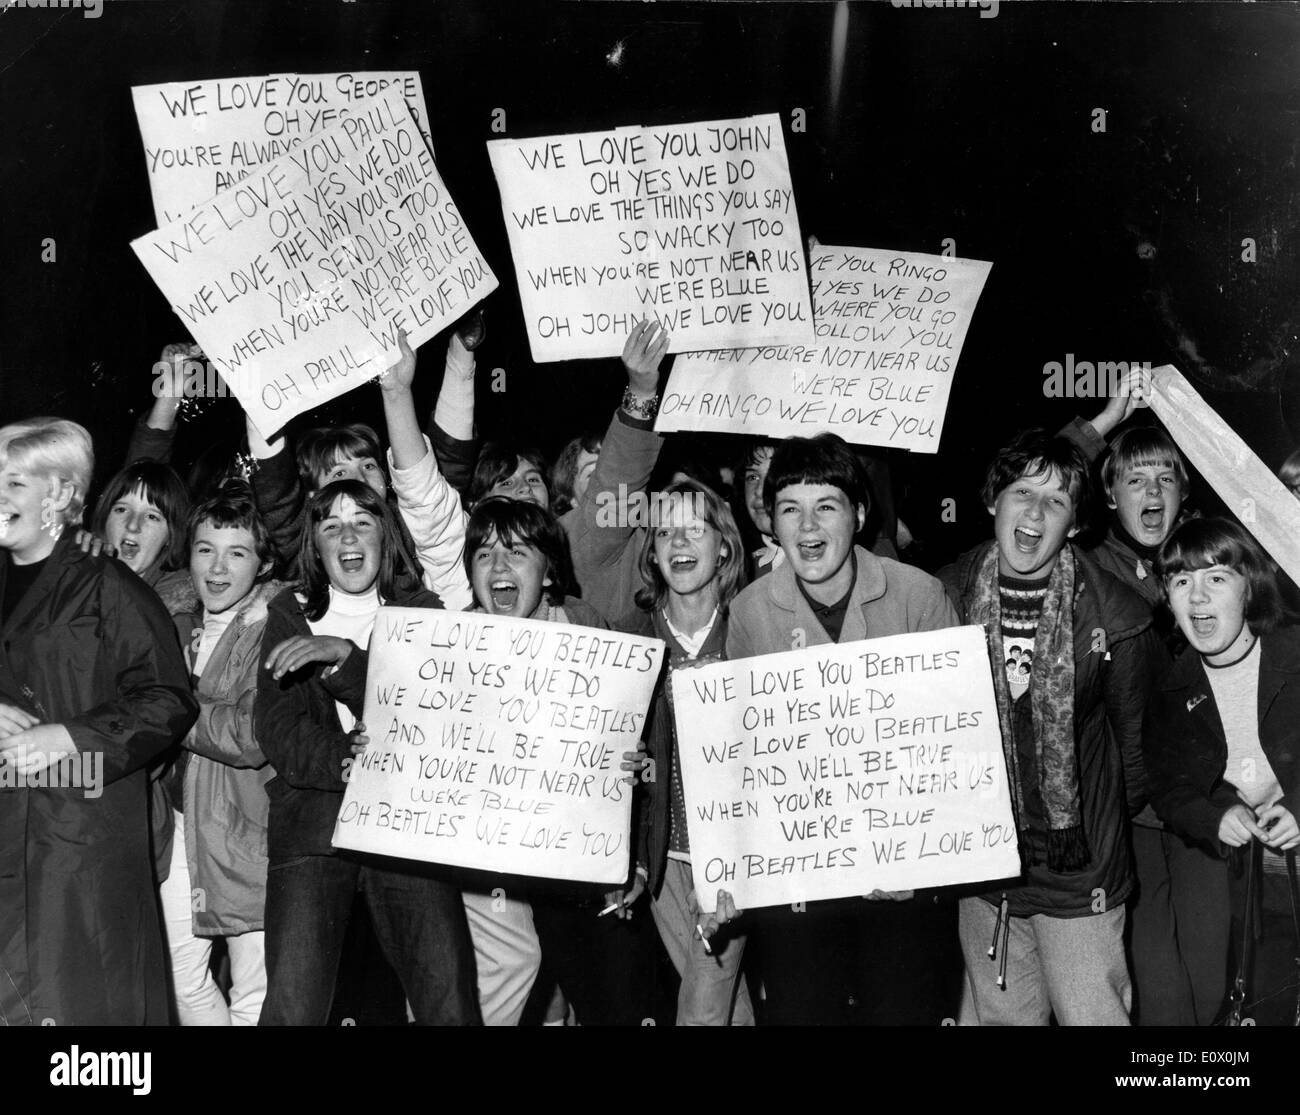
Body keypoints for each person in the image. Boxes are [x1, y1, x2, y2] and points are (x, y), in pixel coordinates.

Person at [719, 433, 964, 1025]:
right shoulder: (751, 612)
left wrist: (919, 862)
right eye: (789, 509)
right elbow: (741, 757)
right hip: (801, 884)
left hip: (903, 876)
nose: (807, 526)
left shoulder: (919, 597)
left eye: (825, 505)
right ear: (769, 522)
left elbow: (958, 746)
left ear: (858, 513)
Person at [939, 428, 1160, 1026]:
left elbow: (1134, 757)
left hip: (1078, 874)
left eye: (1056, 500)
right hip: (986, 875)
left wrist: (1088, 827)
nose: (1035, 511)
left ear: (1075, 523)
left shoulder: (1116, 616)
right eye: (1021, 491)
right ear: (993, 500)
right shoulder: (942, 598)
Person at [254, 480, 479, 1024]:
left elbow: (428, 724)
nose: (347, 535)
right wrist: (346, 759)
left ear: (386, 534)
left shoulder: (424, 610)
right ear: (315, 544)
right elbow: (276, 727)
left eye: (362, 521)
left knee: (447, 1001)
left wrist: (344, 659)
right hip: (312, 828)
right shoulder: (289, 609)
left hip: (405, 832)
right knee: (293, 1005)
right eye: (330, 525)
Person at [0, 417, 197, 1025]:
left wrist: (68, 736)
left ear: (59, 494)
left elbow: (169, 698)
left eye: (11, 483)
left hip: (78, 837)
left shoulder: (106, 586)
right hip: (9, 829)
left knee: (82, 1008)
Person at [459, 497, 662, 1026]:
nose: (499, 567)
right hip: (490, 864)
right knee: (510, 978)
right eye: (484, 555)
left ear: (548, 572)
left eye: (517, 552)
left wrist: (631, 856)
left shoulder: (584, 624)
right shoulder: (449, 643)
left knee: (612, 996)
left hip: (575, 858)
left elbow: (627, 755)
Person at [1144, 517, 1300, 1026]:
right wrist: (1215, 817)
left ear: (1249, 587)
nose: (1197, 595)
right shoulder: (1172, 688)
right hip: (1251, 878)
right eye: (1181, 581)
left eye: (1216, 577)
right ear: (1168, 599)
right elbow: (1169, 789)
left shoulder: (1294, 654)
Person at [615, 479, 755, 1025]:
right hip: (663, 859)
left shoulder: (752, 630)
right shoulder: (632, 640)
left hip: (732, 855)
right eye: (666, 530)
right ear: (651, 550)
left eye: (695, 528)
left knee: (701, 1008)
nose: (679, 541)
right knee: (725, 1006)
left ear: (723, 545)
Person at [161, 485, 281, 1025]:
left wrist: (170, 704)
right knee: (183, 977)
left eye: (237, 552)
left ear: (262, 564)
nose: (217, 565)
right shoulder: (173, 624)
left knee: (254, 992)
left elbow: (249, 735)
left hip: (246, 828)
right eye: (205, 548)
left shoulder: (272, 625)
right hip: (181, 821)